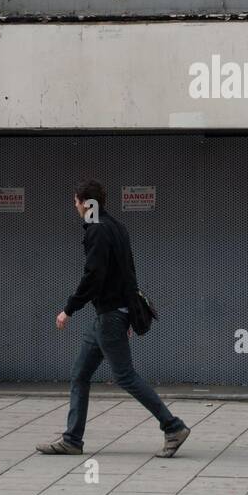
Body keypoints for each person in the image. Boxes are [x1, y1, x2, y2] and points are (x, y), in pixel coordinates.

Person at [37, 180, 190, 458]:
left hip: (109, 317)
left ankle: (173, 426)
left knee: (125, 375)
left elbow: (93, 277)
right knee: (80, 374)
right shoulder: (117, 227)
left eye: (75, 202)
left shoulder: (97, 231)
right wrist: (129, 313)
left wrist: (68, 309)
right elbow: (129, 274)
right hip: (109, 316)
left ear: (86, 203)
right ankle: (72, 440)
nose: (75, 207)